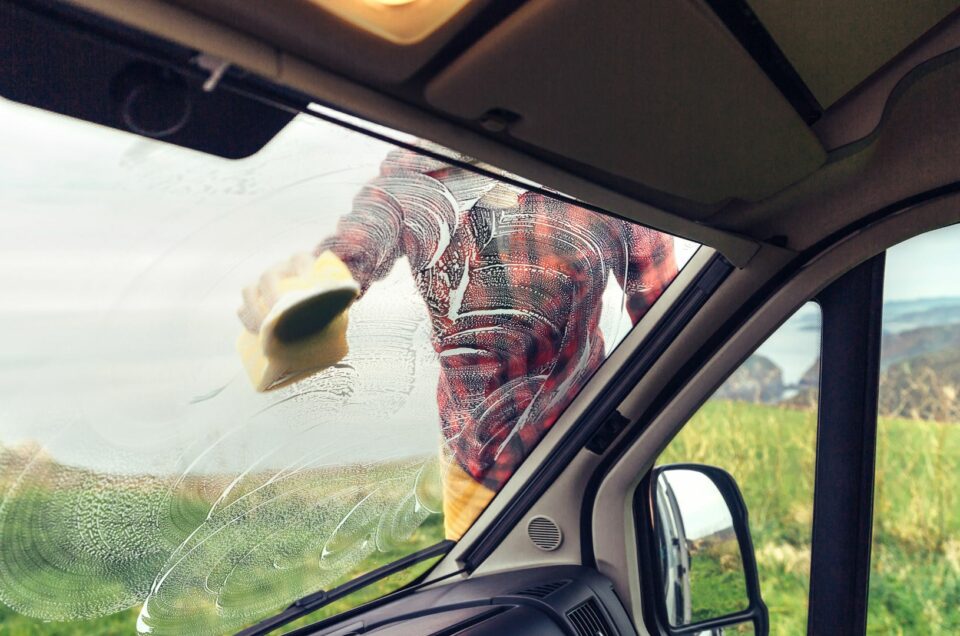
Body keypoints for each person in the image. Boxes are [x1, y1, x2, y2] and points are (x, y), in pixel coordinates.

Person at [238, 145, 678, 539]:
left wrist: (630, 436)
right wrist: (304, 291)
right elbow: (359, 241)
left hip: (583, 453)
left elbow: (669, 326)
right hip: (467, 462)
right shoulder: (415, 172)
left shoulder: (608, 178)